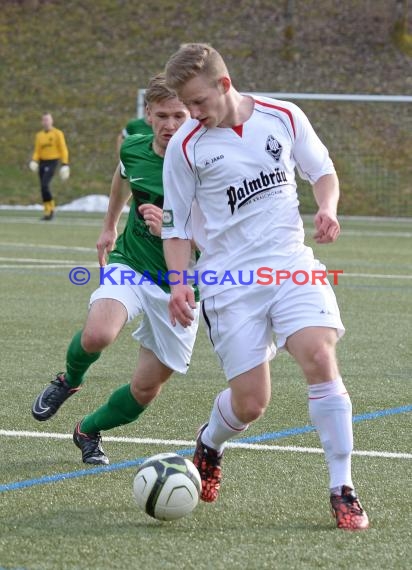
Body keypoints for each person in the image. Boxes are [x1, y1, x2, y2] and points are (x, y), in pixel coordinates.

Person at [162, 43, 369, 531]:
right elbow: (173, 225)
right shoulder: (186, 146)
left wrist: (328, 207)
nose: (191, 114)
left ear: (224, 84)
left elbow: (322, 171)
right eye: (186, 106)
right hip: (228, 282)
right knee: (252, 402)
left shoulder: (282, 116)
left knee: (319, 356)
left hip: (290, 264)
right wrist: (178, 283)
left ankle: (343, 487)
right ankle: (210, 440)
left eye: (198, 102)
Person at [32, 74, 199, 465]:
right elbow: (122, 179)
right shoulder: (136, 149)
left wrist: (176, 232)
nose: (170, 125)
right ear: (148, 113)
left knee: (144, 391)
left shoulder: (204, 162)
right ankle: (68, 380)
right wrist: (109, 226)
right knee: (98, 334)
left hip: (184, 286)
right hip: (132, 262)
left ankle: (87, 429)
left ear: (192, 114)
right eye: (162, 115)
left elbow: (224, 234)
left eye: (179, 115)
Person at [29, 113, 70, 221]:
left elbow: (63, 149)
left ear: (52, 121)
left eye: (47, 120)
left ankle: (51, 209)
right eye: (44, 120)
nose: (46, 122)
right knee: (43, 187)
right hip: (42, 162)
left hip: (52, 161)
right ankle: (47, 211)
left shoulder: (57, 133)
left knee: (45, 185)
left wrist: (65, 164)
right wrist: (34, 160)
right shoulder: (39, 135)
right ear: (42, 122)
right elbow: (37, 151)